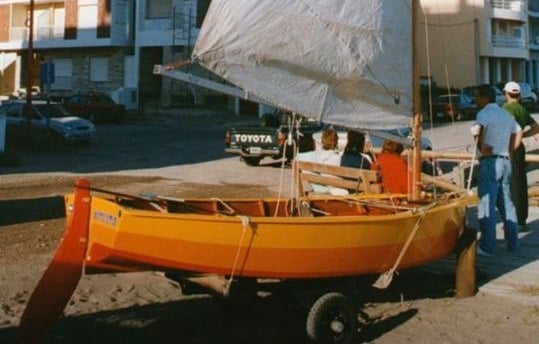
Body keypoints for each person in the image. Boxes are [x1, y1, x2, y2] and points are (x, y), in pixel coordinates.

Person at [471, 84, 522, 258]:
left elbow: (479, 130)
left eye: (477, 96)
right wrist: (511, 148)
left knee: (487, 204)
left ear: (485, 97)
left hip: (490, 162)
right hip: (505, 159)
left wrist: (480, 146)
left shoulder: (484, 113)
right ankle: (513, 243)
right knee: (506, 203)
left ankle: (487, 247)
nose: (476, 100)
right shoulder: (505, 114)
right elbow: (519, 131)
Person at [503, 81, 539, 232]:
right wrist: (522, 135)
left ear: (506, 94)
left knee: (509, 186)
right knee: (520, 183)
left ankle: (513, 220)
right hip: (519, 149)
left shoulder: (506, 108)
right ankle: (521, 220)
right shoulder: (522, 109)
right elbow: (536, 127)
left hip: (508, 148)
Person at [297, 127, 347, 195]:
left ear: (322, 141)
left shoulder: (313, 155)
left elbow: (296, 157)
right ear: (336, 142)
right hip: (332, 191)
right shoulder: (340, 159)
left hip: (314, 189)